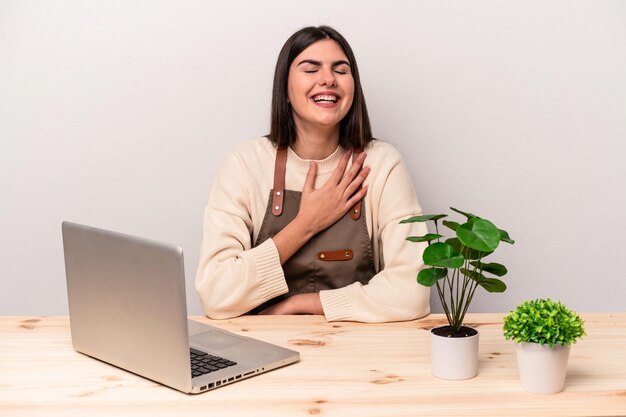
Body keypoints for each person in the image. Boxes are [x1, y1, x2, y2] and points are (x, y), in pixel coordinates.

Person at [195, 25, 430, 322]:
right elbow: (215, 295)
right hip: (265, 353)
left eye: (341, 70)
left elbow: (413, 291)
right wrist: (305, 224)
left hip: (365, 353)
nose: (328, 80)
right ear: (285, 88)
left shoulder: (382, 164)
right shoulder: (243, 163)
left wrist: (301, 304)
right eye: (311, 69)